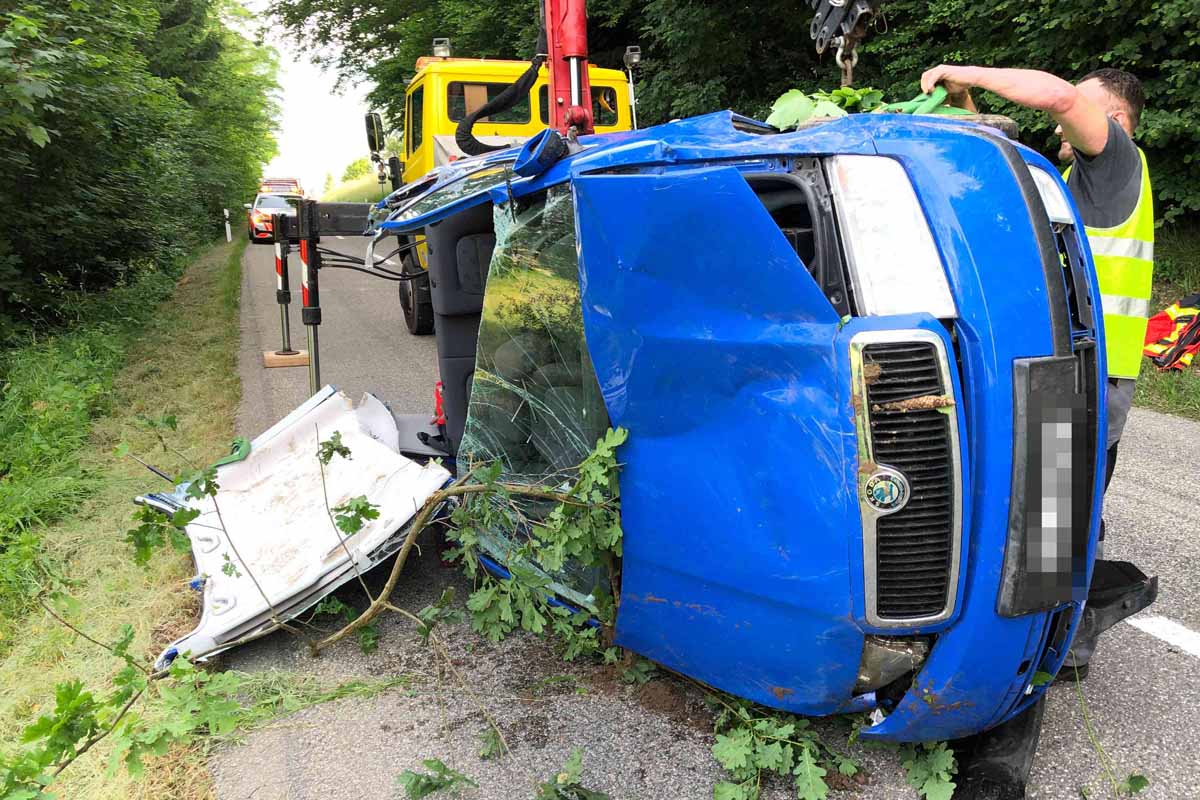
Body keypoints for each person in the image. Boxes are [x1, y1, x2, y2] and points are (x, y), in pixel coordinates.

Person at [919, 65, 1154, 677]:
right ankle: (1047, 631)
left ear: (1117, 121)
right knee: (1056, 500)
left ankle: (1049, 652)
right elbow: (989, 163)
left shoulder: (1117, 165)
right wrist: (964, 103)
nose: (1062, 119)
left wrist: (961, 69)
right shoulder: (1074, 181)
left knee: (1058, 510)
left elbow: (1056, 94)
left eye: (1085, 107)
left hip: (1092, 374)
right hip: (1071, 364)